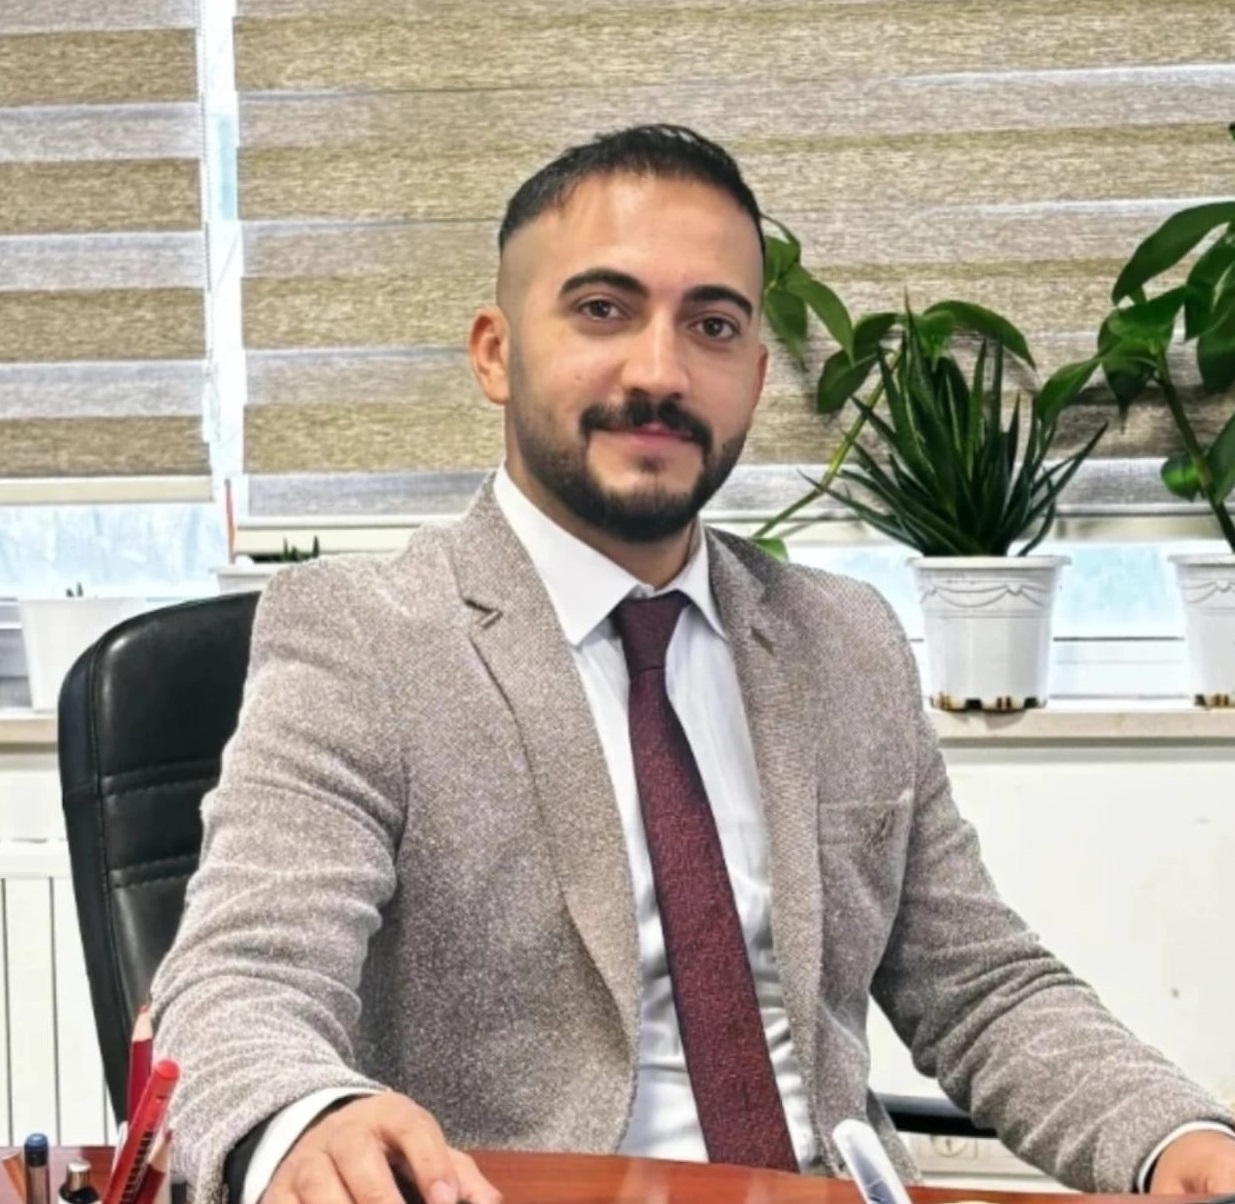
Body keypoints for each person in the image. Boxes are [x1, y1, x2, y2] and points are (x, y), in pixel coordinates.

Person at [151, 125, 1235, 1204]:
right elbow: (240, 979)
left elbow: (980, 986)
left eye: (711, 326)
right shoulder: (363, 634)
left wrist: (1177, 1138)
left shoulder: (844, 641)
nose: (659, 372)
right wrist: (304, 1115)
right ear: (494, 352)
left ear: (753, 377)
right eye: (601, 309)